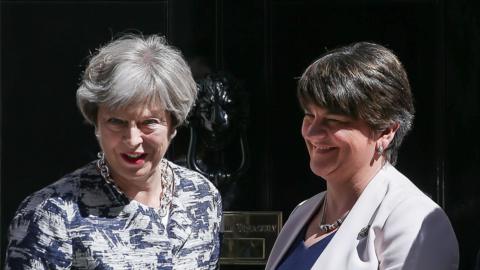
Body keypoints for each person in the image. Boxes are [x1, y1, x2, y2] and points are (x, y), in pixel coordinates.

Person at [5, 34, 222, 269]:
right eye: (116, 122)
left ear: (173, 124)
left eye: (149, 122)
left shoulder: (202, 197)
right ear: (96, 124)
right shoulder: (50, 215)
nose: (133, 140)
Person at [266, 42, 459, 270]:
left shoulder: (414, 219)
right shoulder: (303, 213)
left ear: (386, 131)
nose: (312, 132)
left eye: (334, 120)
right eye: (309, 116)